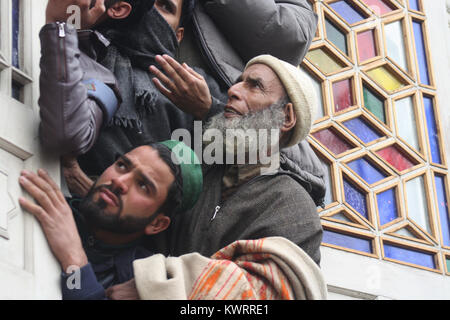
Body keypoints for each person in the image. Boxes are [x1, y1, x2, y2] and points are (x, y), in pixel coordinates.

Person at [107, 54, 327, 300]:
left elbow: (260, 296)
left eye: (254, 85)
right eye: (238, 81)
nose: (233, 90)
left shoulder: (294, 210)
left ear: (286, 117)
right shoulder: (199, 165)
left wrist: (153, 291)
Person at [39, 0, 226, 195]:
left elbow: (247, 155)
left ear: (178, 35)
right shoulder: (83, 41)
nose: (149, 10)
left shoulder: (195, 82)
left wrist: (208, 109)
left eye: (164, 6)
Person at [18, 141, 203, 300]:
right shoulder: (42, 201)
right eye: (122, 165)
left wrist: (74, 260)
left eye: (143, 185)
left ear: (157, 224)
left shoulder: (137, 283)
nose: (120, 182)